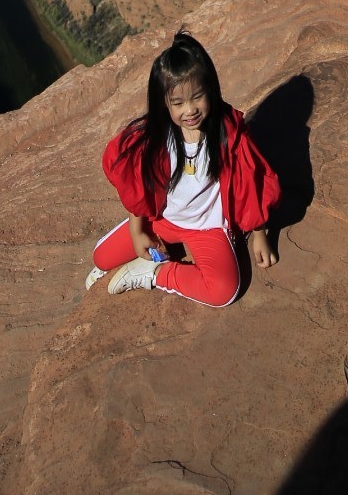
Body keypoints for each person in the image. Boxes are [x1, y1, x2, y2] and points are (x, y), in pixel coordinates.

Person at [92, 29, 281, 304]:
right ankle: (140, 251)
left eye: (197, 97)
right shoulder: (157, 137)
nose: (189, 110)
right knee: (101, 258)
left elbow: (250, 183)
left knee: (223, 290)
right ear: (164, 104)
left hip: (207, 227)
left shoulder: (229, 134)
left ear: (211, 90)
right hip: (163, 220)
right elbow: (138, 184)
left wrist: (260, 234)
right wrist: (138, 230)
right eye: (177, 103)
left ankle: (156, 273)